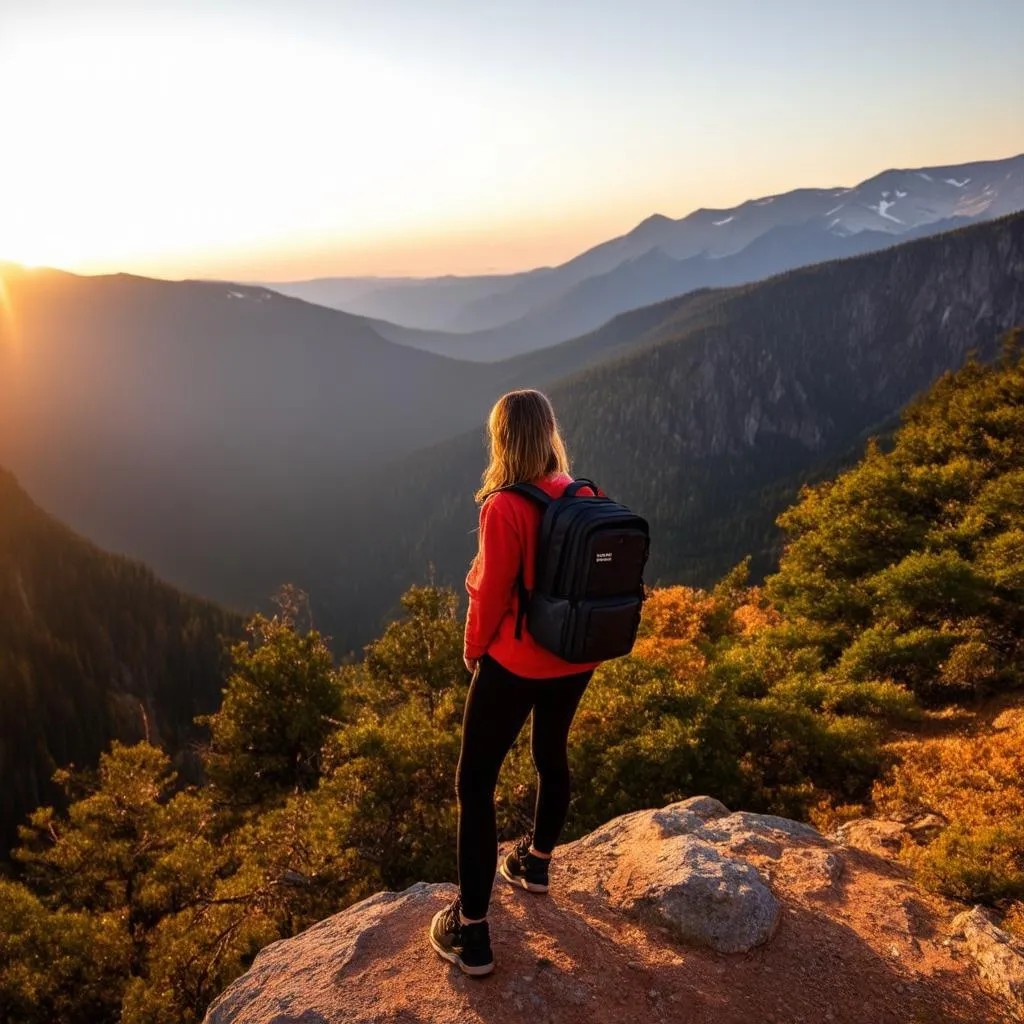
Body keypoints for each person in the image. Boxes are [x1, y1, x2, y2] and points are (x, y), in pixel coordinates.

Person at [429, 389, 603, 977]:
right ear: (550, 433)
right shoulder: (582, 494)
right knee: (550, 754)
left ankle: (472, 933)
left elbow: (491, 590)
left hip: (516, 662)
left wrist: (474, 651)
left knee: (474, 783)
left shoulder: (503, 506)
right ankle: (536, 864)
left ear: (502, 439)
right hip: (575, 656)